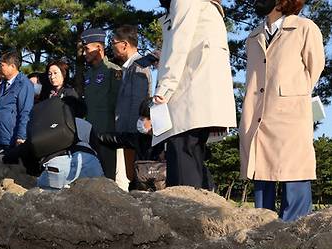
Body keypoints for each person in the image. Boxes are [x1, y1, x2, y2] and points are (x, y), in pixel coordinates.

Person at [239, 0, 325, 221]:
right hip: (257, 115)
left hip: (290, 116)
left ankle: (296, 238)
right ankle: (262, 238)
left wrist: (291, 94)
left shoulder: (305, 28)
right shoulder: (253, 36)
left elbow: (315, 69)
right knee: (261, 176)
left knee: (294, 173)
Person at [152, 0, 236, 188]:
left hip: (188, 97)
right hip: (199, 97)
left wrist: (163, 89)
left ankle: (185, 216)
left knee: (183, 162)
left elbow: (179, 46)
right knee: (192, 157)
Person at [111, 25, 152, 186]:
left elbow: (138, 104)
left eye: (113, 43)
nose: (112, 47)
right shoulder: (129, 67)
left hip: (132, 137)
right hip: (126, 136)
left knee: (132, 180)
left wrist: (129, 136)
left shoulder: (139, 66)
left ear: (124, 44)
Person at [81, 28, 124, 183]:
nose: (84, 53)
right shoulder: (88, 74)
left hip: (107, 132)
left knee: (107, 179)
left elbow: (117, 104)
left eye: (87, 49)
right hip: (90, 132)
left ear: (99, 48)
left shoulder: (114, 70)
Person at [36, 97, 104, 189]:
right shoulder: (86, 124)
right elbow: (97, 151)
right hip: (89, 162)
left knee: (46, 191)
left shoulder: (53, 125)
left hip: (58, 166)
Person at [0, 51, 35, 154]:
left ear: (12, 66)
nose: (0, 68)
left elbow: (26, 111)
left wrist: (21, 136)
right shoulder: (3, 84)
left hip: (11, 139)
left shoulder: (24, 84)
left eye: (2, 65)